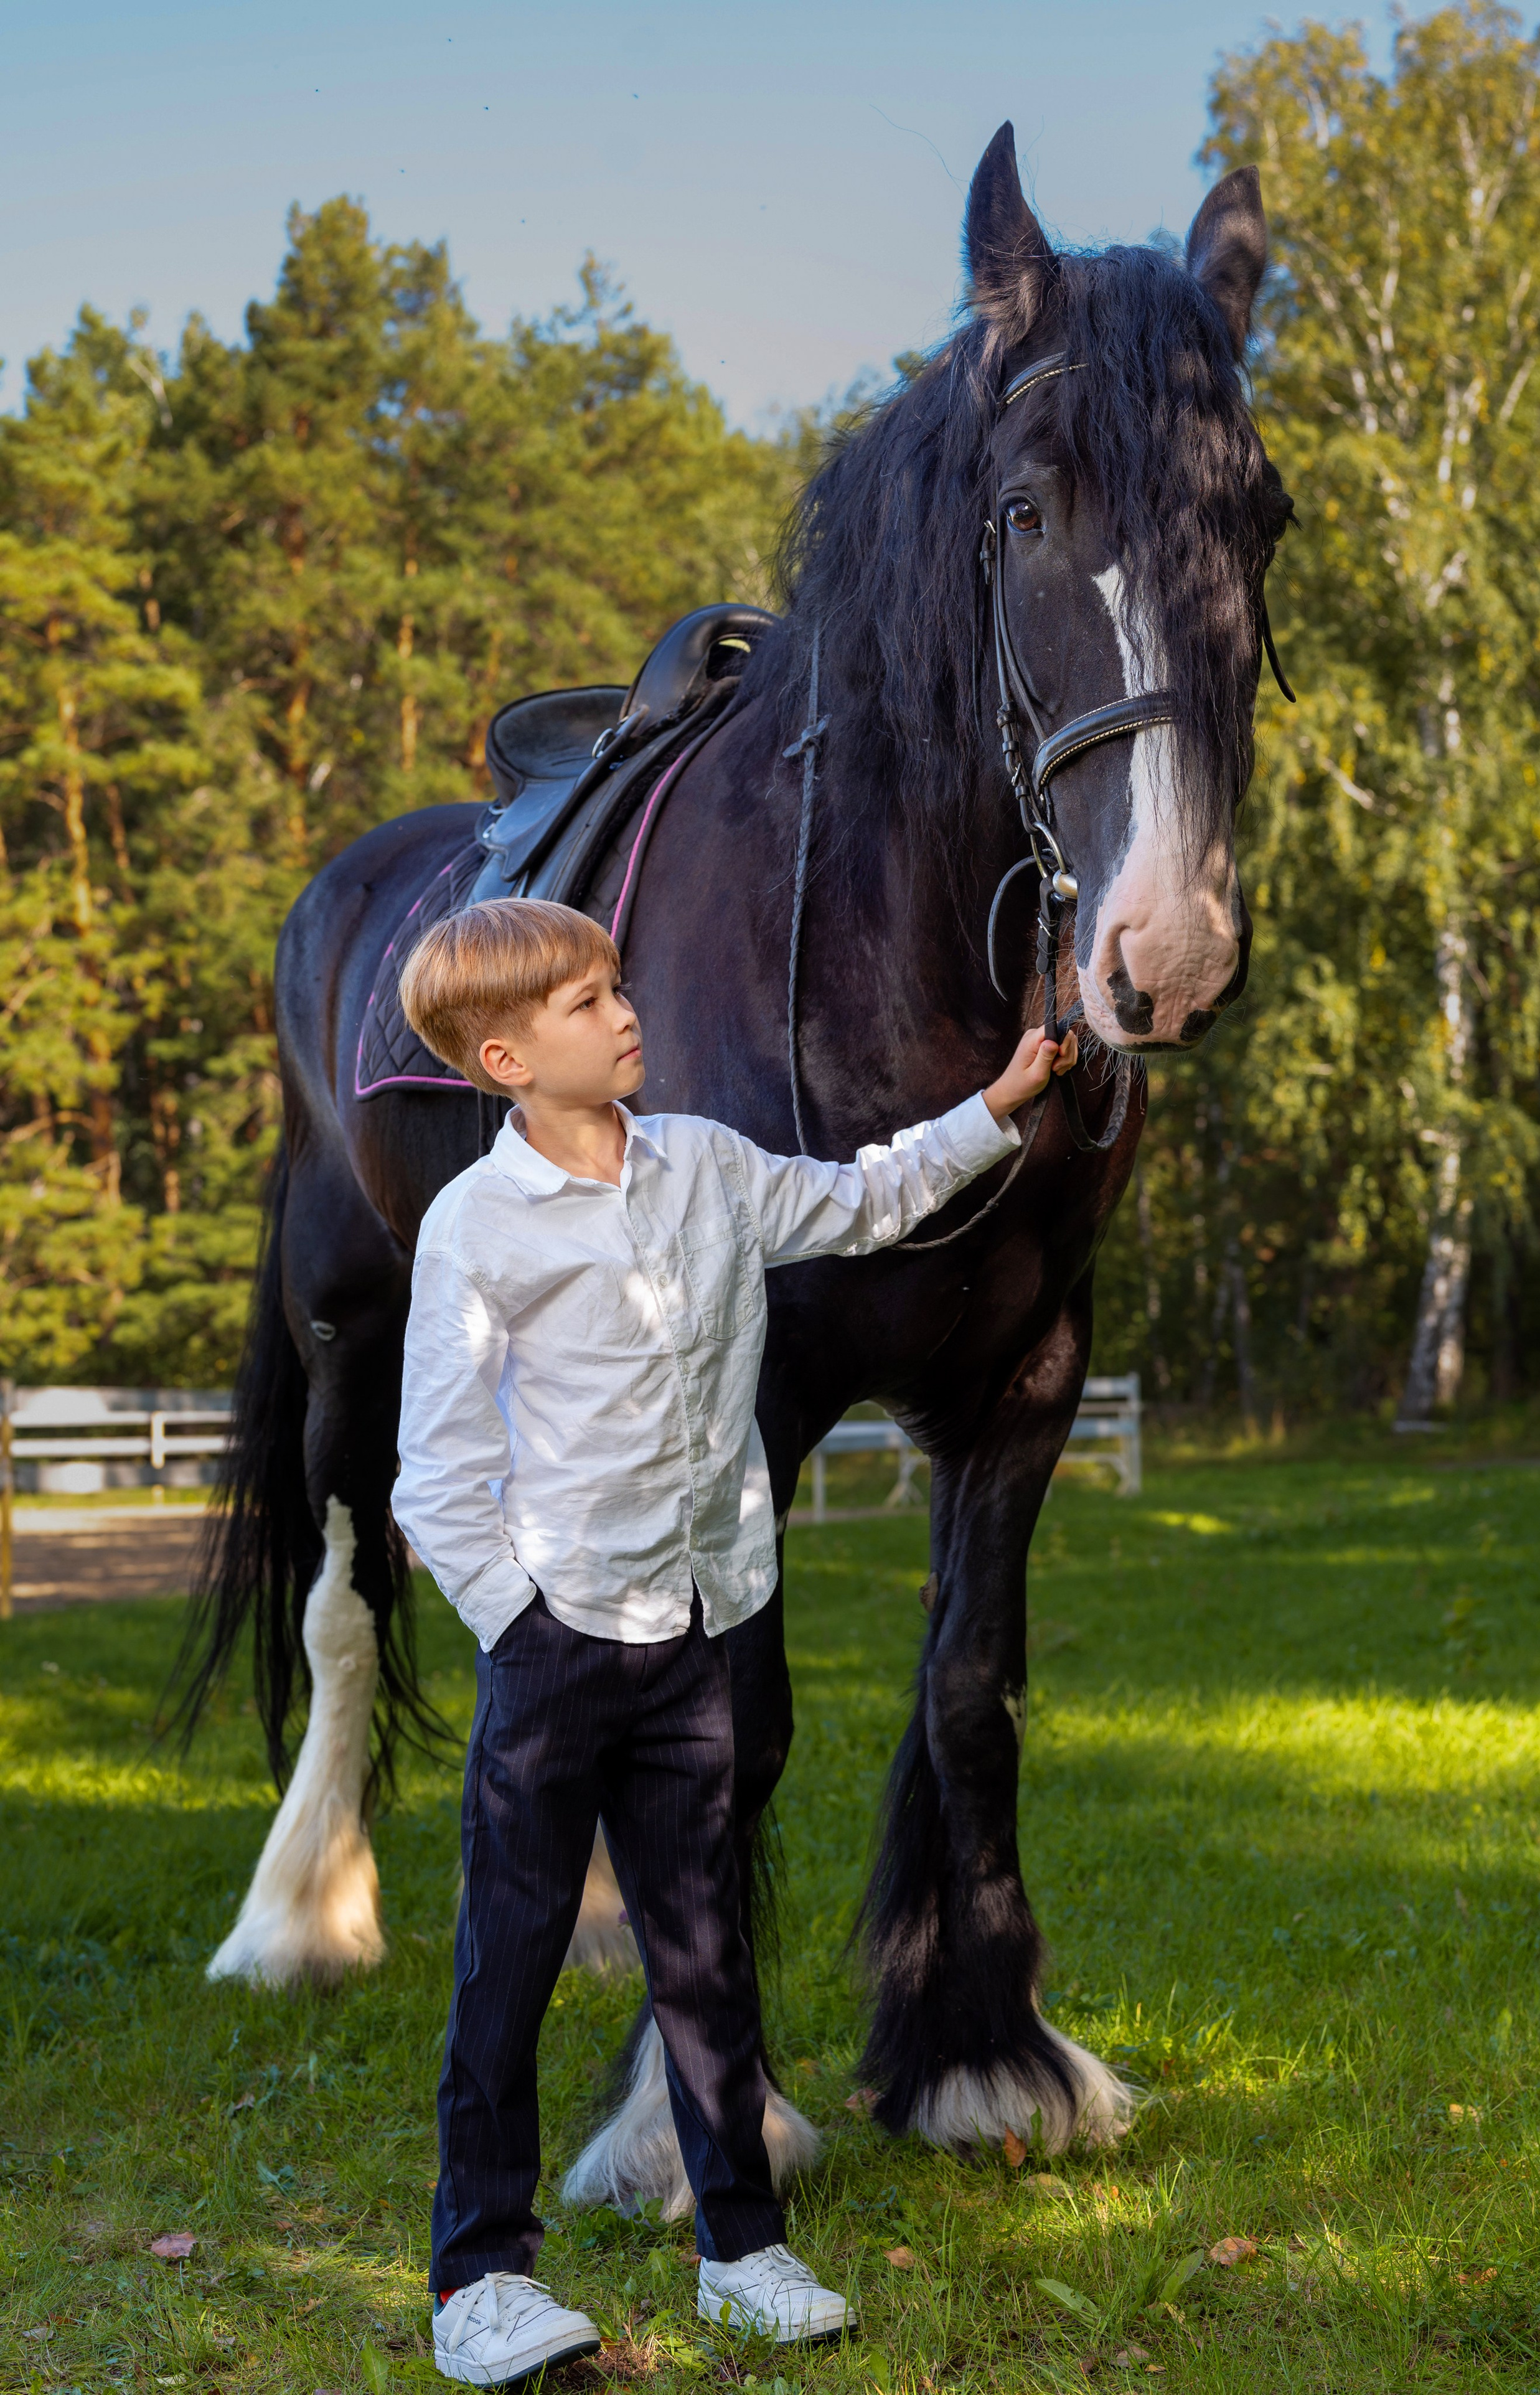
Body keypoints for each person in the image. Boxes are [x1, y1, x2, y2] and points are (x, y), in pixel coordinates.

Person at [393, 897, 1066, 2386]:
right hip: (561, 1649)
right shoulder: (478, 1228)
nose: (622, 1011)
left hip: (707, 1630)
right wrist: (524, 1627)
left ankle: (741, 2249)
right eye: (582, 1002)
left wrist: (994, 1111)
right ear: (505, 1054)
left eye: (616, 983)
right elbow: (433, 1472)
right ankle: (478, 2278)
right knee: (504, 1965)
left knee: (704, 1957)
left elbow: (863, 1197)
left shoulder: (703, 1166)